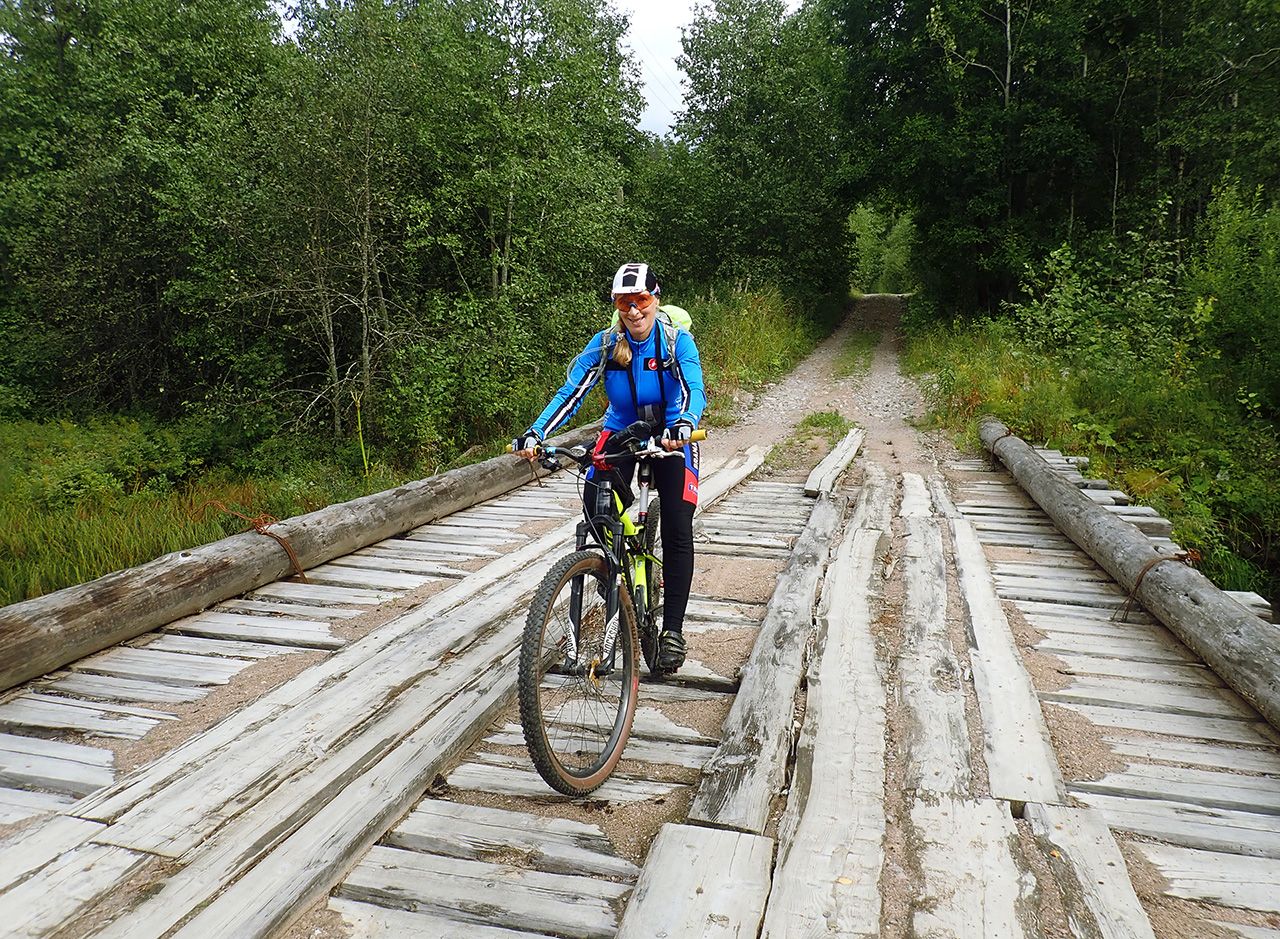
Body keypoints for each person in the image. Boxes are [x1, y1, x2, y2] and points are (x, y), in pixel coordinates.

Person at [513, 262, 706, 673]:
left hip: (673, 433)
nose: (633, 311)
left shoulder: (677, 341)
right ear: (616, 304)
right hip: (621, 432)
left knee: (677, 524)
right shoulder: (605, 345)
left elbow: (694, 388)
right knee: (594, 503)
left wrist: (685, 423)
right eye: (623, 302)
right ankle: (613, 573)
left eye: (641, 300)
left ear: (656, 299)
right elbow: (572, 392)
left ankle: (672, 630)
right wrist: (536, 433)